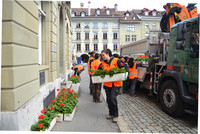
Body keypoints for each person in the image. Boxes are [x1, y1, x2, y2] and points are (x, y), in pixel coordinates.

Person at [99, 49, 126, 123]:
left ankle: (115, 115)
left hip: (116, 84)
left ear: (108, 54)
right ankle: (111, 113)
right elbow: (98, 70)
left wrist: (124, 74)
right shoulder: (102, 63)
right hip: (107, 84)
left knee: (112, 98)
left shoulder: (117, 61)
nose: (102, 57)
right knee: (108, 99)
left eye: (103, 55)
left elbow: (125, 68)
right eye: (101, 55)